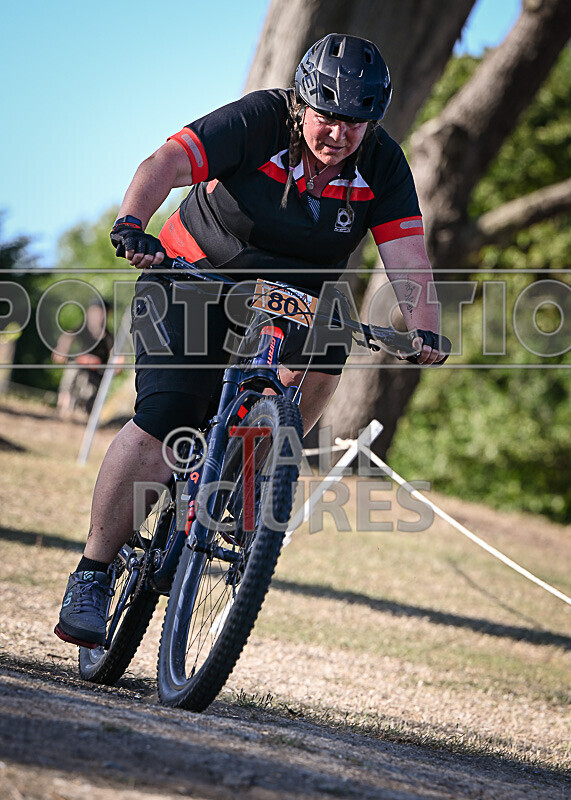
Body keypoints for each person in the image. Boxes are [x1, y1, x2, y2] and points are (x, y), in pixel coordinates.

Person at [55, 33, 449, 647]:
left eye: (356, 122)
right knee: (168, 414)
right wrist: (133, 222)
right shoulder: (259, 120)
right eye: (328, 115)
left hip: (293, 297)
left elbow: (407, 254)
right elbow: (166, 162)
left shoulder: (382, 164)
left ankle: (253, 466)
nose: (340, 133)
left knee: (329, 348)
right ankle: (93, 572)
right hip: (193, 275)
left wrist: (425, 325)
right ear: (301, 103)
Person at [52, 300, 114, 418]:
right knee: (71, 373)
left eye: (102, 313)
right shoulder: (82, 329)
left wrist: (116, 363)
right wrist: (62, 349)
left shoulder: (108, 337)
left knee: (89, 390)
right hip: (78, 367)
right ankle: (63, 406)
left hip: (96, 373)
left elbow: (116, 354)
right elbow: (68, 336)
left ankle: (83, 411)